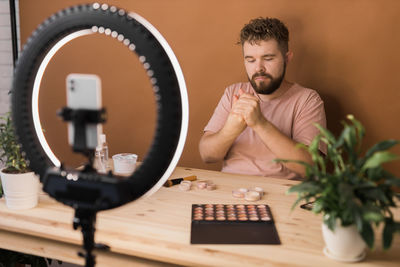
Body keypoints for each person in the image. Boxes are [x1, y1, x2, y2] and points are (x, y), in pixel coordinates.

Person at [199, 17, 326, 179]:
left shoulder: (307, 99)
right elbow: (207, 155)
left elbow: (310, 167)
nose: (258, 68)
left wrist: (260, 124)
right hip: (230, 191)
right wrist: (230, 130)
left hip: (281, 196)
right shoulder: (233, 93)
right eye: (250, 60)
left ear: (287, 58)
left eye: (268, 58)